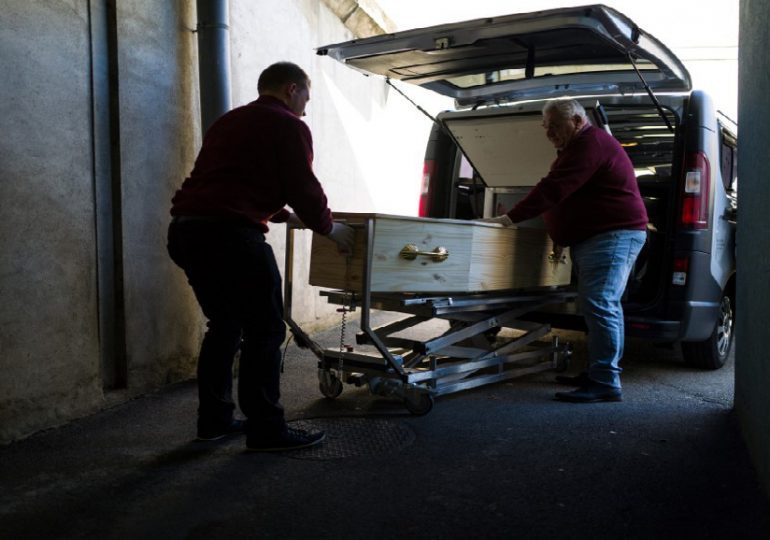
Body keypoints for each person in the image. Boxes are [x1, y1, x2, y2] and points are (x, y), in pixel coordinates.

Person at [167, 61, 354, 450]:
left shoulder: (229, 121)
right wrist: (330, 228)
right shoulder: (289, 125)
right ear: (291, 89)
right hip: (231, 239)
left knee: (224, 326)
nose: (306, 105)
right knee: (265, 331)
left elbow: (231, 180)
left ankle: (214, 421)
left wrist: (280, 214)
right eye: (306, 95)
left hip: (188, 232)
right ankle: (267, 430)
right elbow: (302, 184)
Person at [480, 99, 647, 403]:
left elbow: (554, 188)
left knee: (600, 303)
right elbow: (571, 196)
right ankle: (600, 372)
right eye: (546, 126)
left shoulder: (589, 143)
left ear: (578, 120)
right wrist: (561, 234)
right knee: (604, 305)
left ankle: (606, 381)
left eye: (555, 125)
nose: (549, 132)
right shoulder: (580, 146)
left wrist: (508, 218)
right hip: (602, 237)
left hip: (611, 236)